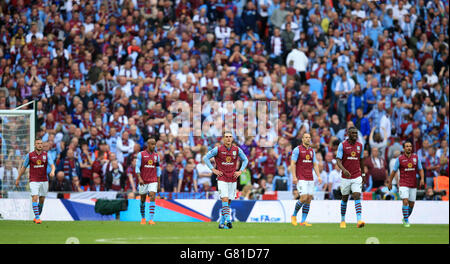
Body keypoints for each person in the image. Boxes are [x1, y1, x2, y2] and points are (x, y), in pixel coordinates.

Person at [203, 131, 249, 229]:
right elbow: (206, 158)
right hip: (221, 177)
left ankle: (222, 222)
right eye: (226, 137)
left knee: (228, 201)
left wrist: (240, 171)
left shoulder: (237, 150)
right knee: (224, 198)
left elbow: (245, 159)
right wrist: (213, 170)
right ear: (223, 139)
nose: (228, 138)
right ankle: (228, 220)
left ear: (232, 139)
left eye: (230, 137)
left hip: (232, 178)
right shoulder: (218, 149)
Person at [15, 138, 56, 224]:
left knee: (42, 200)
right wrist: (18, 178)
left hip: (44, 180)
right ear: (35, 145)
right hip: (33, 180)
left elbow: (52, 165)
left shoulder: (46, 155)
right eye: (38, 143)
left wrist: (52, 171)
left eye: (41, 143)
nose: (40, 145)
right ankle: (37, 218)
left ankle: (37, 215)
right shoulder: (29, 155)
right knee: (35, 197)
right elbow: (23, 168)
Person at [387, 141, 425, 227]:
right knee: (405, 201)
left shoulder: (416, 157)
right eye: (407, 146)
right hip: (403, 183)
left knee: (412, 204)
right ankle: (406, 221)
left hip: (413, 184)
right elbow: (394, 171)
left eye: (410, 146)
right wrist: (390, 182)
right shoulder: (399, 159)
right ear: (404, 148)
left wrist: (422, 179)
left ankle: (405, 217)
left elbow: (420, 169)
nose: (409, 148)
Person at [336, 126, 366, 228]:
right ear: (348, 134)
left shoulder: (360, 146)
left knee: (357, 195)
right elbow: (338, 161)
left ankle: (359, 220)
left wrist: (363, 174)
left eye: (356, 133)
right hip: (345, 177)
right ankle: (343, 220)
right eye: (352, 133)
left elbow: (361, 160)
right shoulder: (342, 145)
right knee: (344, 198)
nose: (355, 135)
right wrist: (344, 170)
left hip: (356, 175)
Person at [290, 133, 322, 226]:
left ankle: (303, 221)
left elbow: (315, 164)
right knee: (303, 197)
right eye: (306, 137)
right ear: (302, 139)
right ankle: (294, 215)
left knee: (308, 199)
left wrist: (319, 176)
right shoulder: (297, 150)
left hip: (310, 178)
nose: (308, 139)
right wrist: (294, 176)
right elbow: (293, 163)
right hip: (301, 177)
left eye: (309, 137)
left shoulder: (312, 151)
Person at [135, 138, 161, 225]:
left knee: (152, 196)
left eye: (154, 144)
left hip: (153, 180)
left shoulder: (156, 156)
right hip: (143, 180)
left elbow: (158, 169)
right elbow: (137, 167)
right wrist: (139, 178)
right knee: (142, 199)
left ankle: (151, 219)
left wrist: (159, 182)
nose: (154, 146)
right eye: (152, 144)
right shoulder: (141, 154)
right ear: (148, 144)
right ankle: (143, 218)